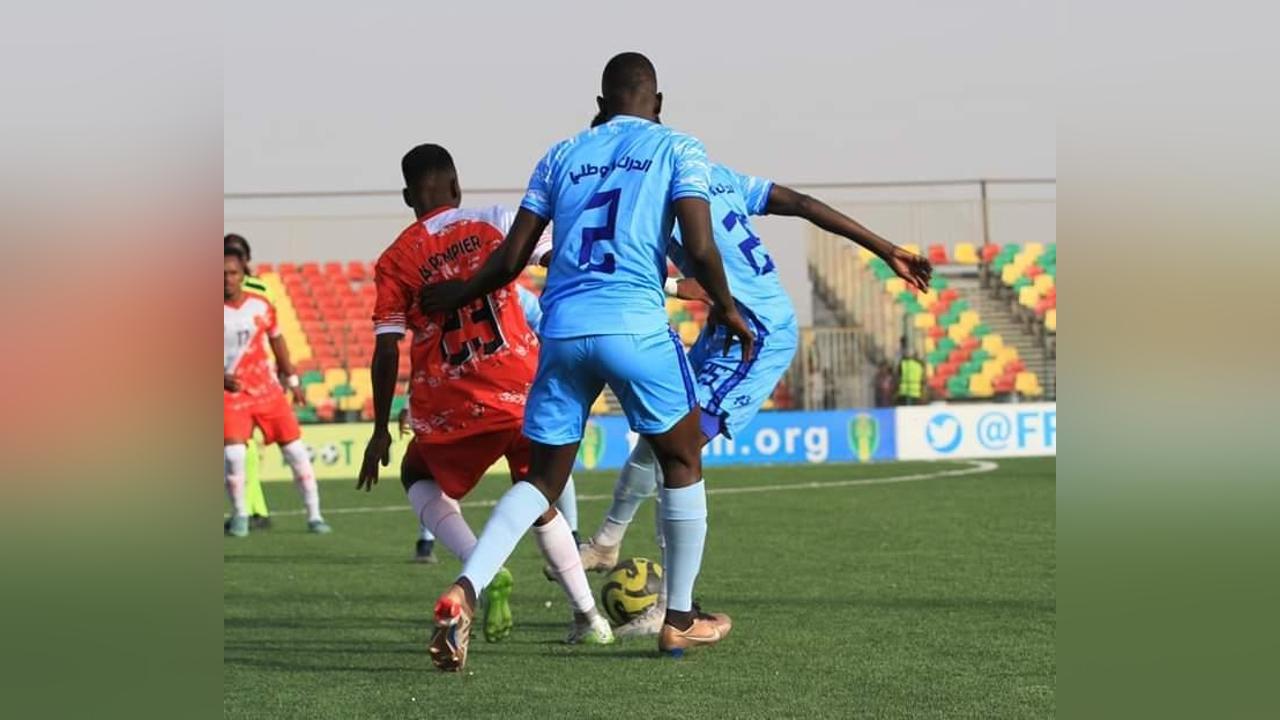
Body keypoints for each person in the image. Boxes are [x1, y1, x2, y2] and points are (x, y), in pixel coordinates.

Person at [418, 52, 753, 668]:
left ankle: (466, 587)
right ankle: (680, 620)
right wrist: (728, 309)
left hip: (565, 330)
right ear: (658, 103)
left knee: (542, 481)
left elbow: (511, 258)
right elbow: (701, 245)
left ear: (600, 106)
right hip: (635, 327)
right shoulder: (679, 147)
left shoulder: (560, 154)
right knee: (681, 457)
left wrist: (459, 293)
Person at [577, 160, 931, 635]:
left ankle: (671, 606)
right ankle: (607, 542)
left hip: (755, 336)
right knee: (659, 439)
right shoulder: (715, 175)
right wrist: (886, 249)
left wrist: (668, 286)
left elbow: (672, 266)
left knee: (678, 451)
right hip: (725, 325)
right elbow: (802, 204)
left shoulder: (657, 193)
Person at [356, 143, 612, 649]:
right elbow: (563, 259)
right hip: (524, 388)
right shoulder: (498, 220)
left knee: (416, 475)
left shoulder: (394, 261)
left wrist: (381, 428)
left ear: (407, 196)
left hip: (451, 402)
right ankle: (589, 618)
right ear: (456, 186)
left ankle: (482, 567)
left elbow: (386, 349)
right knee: (539, 496)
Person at [224, 246, 331, 536]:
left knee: (296, 452)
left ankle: (314, 515)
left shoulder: (260, 305)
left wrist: (292, 381)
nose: (227, 279)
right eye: (221, 274)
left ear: (243, 275)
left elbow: (278, 341)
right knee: (234, 454)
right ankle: (240, 515)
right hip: (231, 394)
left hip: (267, 390)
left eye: (232, 273)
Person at [223, 233, 273, 530]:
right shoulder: (261, 288)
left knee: (242, 448)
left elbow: (272, 330)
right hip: (241, 378)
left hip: (249, 381)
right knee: (240, 449)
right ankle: (249, 510)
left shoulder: (255, 292)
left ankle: (252, 510)